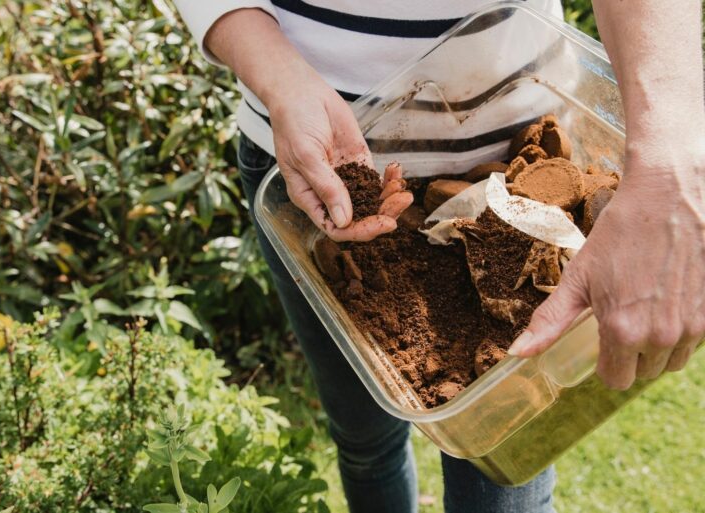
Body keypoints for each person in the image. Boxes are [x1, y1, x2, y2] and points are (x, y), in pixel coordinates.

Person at [171, 1, 705, 512]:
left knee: (504, 473)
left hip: (515, 157)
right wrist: (280, 78)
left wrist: (667, 170)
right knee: (365, 440)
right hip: (311, 170)